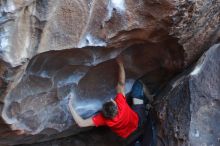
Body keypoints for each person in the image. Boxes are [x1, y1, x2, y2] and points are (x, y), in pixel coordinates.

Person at [68, 58, 148, 145]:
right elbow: (121, 83)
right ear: (115, 104)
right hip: (138, 120)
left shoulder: (103, 119)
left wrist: (70, 105)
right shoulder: (120, 103)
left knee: (134, 140)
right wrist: (120, 64)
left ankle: (136, 141)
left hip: (127, 134)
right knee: (137, 85)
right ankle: (149, 101)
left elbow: (81, 123)